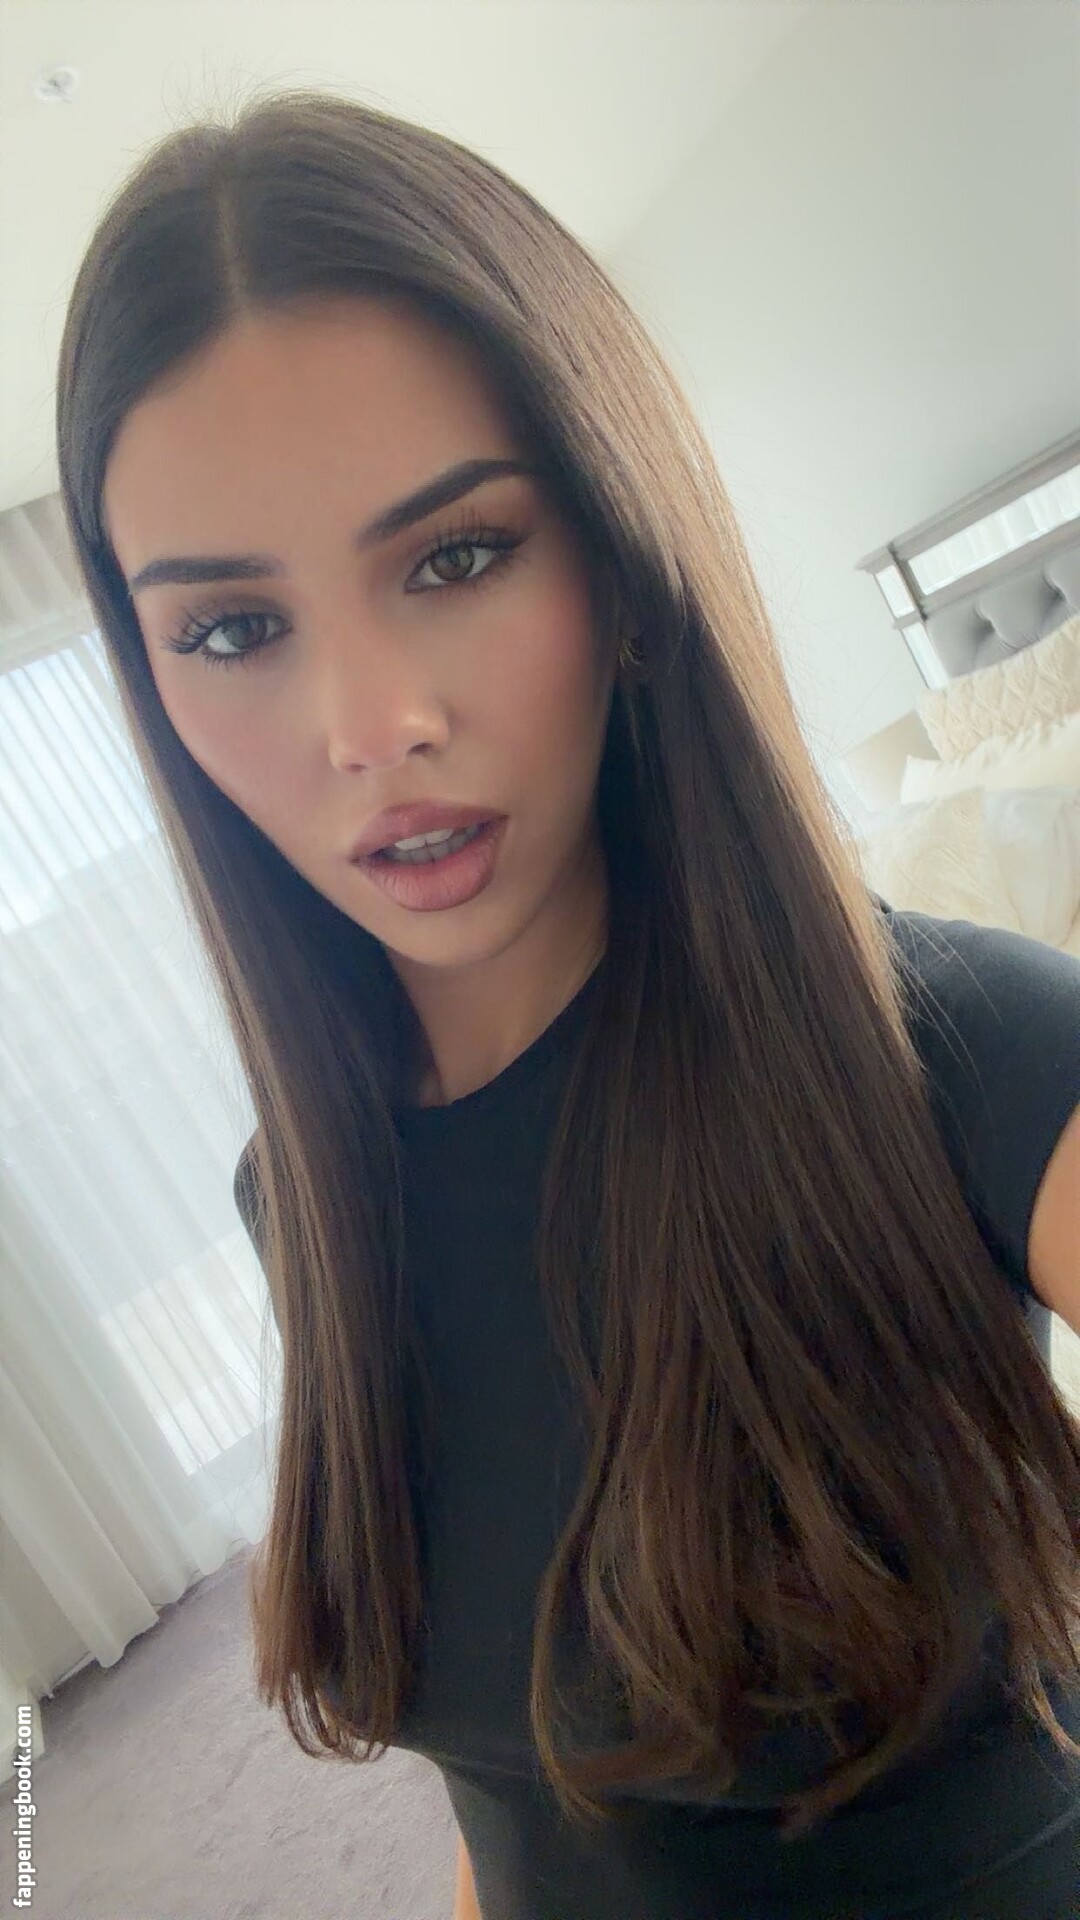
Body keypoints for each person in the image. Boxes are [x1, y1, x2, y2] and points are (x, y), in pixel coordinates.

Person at [55, 87, 1080, 1920]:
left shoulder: (956, 1052)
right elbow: (520, 1789)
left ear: (619, 555)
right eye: (232, 630)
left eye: (455, 556)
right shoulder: (302, 1196)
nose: (371, 728)